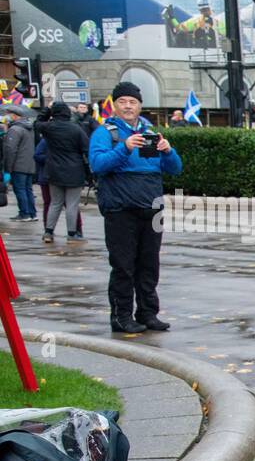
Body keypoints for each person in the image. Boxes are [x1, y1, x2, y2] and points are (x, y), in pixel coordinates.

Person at [88, 81, 183, 334]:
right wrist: (125, 147)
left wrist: (168, 151)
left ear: (140, 105)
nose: (128, 106)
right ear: (115, 105)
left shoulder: (150, 130)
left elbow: (174, 169)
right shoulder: (105, 132)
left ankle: (148, 313)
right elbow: (97, 164)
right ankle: (121, 317)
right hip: (120, 209)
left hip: (151, 208)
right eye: (123, 102)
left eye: (133, 102)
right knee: (123, 266)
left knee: (149, 265)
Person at [35, 102, 89, 245]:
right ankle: (72, 234)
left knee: (55, 203)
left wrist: (47, 109)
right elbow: (86, 149)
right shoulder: (76, 129)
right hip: (74, 170)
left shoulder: (49, 128)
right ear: (67, 113)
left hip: (53, 170)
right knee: (72, 204)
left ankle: (48, 232)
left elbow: (38, 122)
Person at [3, 111, 38, 222]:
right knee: (28, 189)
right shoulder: (29, 128)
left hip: (18, 164)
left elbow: (10, 150)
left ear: (15, 116)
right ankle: (32, 213)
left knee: (20, 189)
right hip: (29, 164)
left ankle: (24, 213)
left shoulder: (14, 130)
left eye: (9, 115)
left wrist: (8, 168)